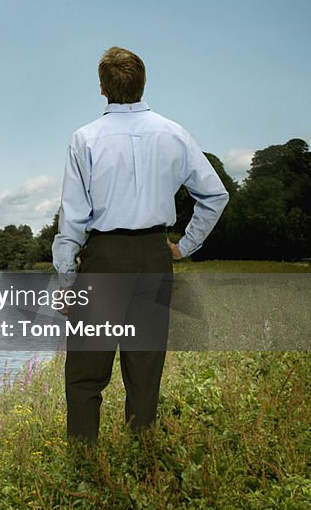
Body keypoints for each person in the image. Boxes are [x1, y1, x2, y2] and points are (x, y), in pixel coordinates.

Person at [52, 46, 229, 446]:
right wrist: (185, 246)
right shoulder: (173, 133)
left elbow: (74, 218)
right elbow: (215, 195)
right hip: (154, 257)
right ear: (143, 83)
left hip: (104, 259)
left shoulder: (84, 140)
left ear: (102, 88)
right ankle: (139, 462)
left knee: (85, 372)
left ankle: (84, 465)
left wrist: (65, 281)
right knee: (145, 369)